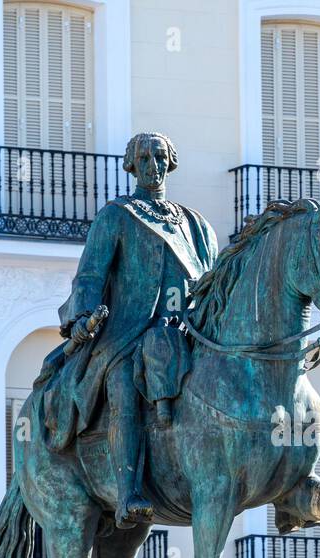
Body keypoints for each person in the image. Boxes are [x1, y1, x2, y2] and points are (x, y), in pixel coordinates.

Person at [45, 131, 218, 528]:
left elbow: (214, 282)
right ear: (132, 165)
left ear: (170, 162)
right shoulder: (117, 216)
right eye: (145, 158)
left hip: (189, 330)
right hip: (131, 332)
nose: (153, 165)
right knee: (123, 385)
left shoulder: (196, 225)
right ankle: (129, 493)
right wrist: (81, 317)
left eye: (160, 157)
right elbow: (89, 275)